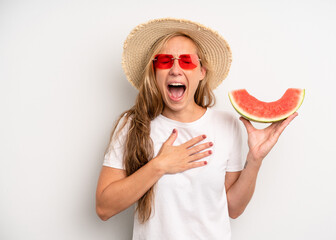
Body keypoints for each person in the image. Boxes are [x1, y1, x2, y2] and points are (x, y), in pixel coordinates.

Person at [95, 18, 297, 240]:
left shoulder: (227, 124)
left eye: (186, 61)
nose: (175, 69)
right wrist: (159, 165)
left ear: (202, 71)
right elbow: (104, 208)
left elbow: (234, 208)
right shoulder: (134, 124)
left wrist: (255, 159)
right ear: (154, 71)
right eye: (164, 61)